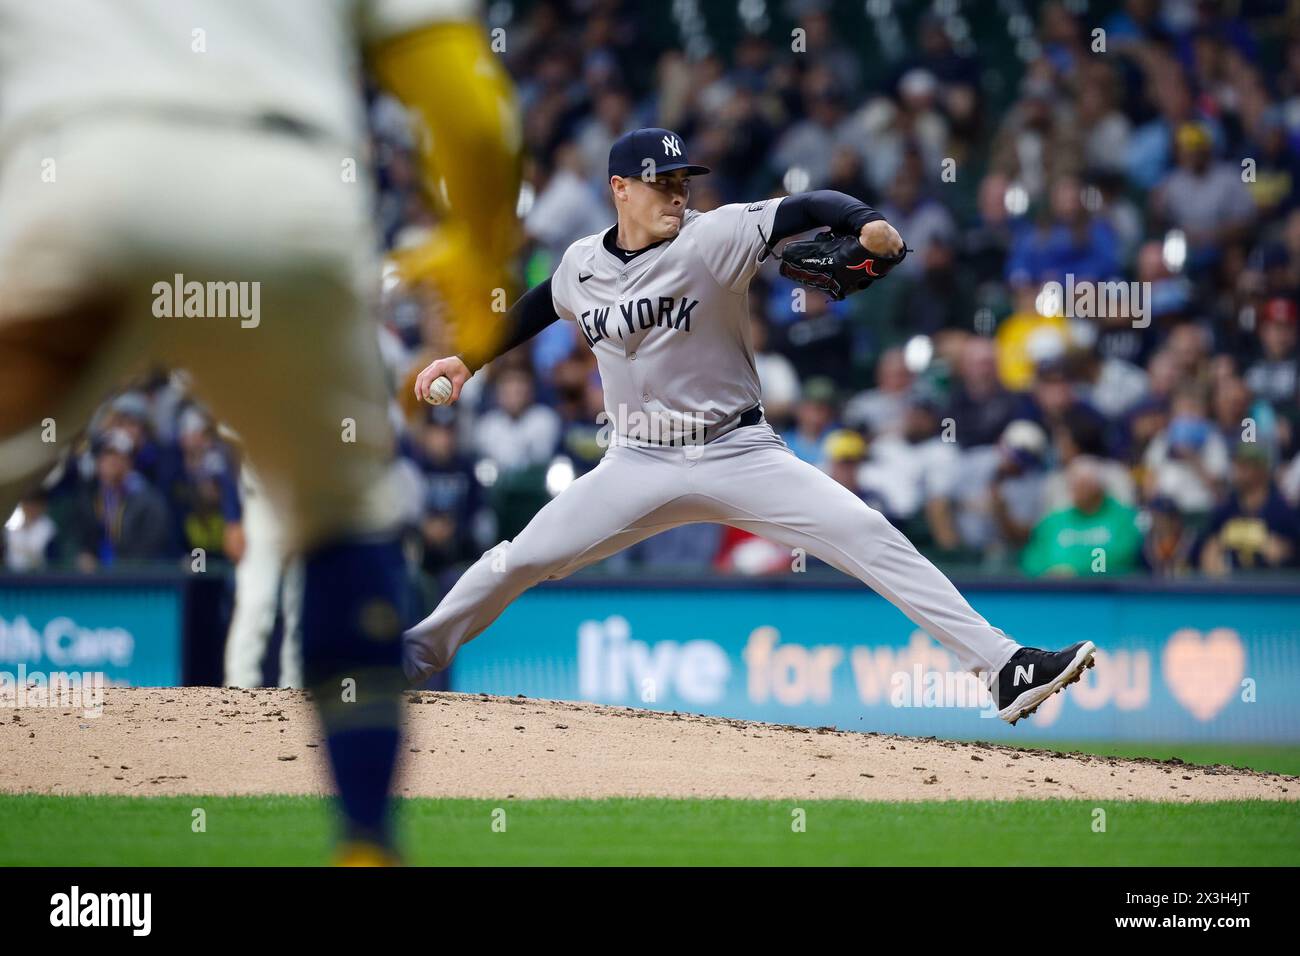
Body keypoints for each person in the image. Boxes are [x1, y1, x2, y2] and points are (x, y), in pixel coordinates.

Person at [0, 0, 521, 864]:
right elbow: (468, 103)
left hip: (73, 175)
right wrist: (482, 245)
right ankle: (364, 843)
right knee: (347, 513)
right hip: (283, 191)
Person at [406, 127, 1097, 726]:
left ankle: (1005, 667)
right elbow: (538, 306)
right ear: (620, 188)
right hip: (636, 461)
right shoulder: (580, 264)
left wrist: (866, 223)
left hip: (739, 450)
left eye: (683, 180)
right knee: (519, 558)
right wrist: (468, 359)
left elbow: (808, 207)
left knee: (868, 534)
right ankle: (408, 658)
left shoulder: (716, 235)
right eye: (661, 183)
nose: (678, 194)